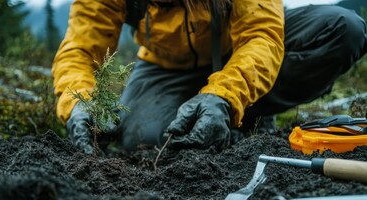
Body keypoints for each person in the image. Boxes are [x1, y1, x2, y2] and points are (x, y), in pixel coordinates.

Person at [52, 0, 367, 154]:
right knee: (146, 140)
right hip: (166, 68)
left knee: (341, 30)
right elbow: (80, 50)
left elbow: (261, 36)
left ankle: (240, 112)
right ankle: (218, 116)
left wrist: (225, 97)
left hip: (239, 48)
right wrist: (79, 103)